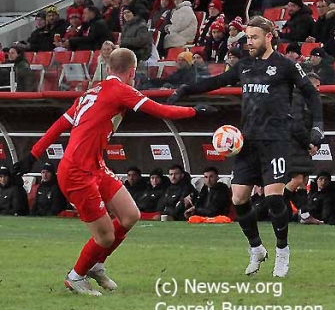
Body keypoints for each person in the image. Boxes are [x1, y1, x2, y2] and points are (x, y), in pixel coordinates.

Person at [13, 48, 214, 295]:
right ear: (133, 71)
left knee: (130, 215)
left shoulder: (91, 92)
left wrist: (32, 155)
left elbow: (59, 125)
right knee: (105, 236)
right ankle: (75, 276)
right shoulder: (120, 90)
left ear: (108, 68)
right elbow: (161, 111)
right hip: (77, 171)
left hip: (95, 165)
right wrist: (195, 111)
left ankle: (96, 264)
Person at [168, 16, 323, 277]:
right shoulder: (245, 66)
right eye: (247, 37)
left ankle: (282, 251)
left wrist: (317, 127)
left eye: (253, 37)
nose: (248, 42)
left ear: (269, 37)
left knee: (274, 197)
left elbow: (311, 93)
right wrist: (184, 89)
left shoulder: (285, 66)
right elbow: (215, 82)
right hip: (247, 141)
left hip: (275, 140)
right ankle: (256, 249)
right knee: (239, 198)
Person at [283, 72, 324, 225]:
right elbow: (295, 124)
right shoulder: (296, 98)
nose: (318, 90)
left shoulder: (310, 101)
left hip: (303, 143)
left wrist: (316, 143)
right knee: (297, 179)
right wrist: (308, 144)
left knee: (303, 180)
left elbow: (315, 125)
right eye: (316, 86)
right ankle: (276, 207)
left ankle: (305, 214)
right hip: (293, 143)